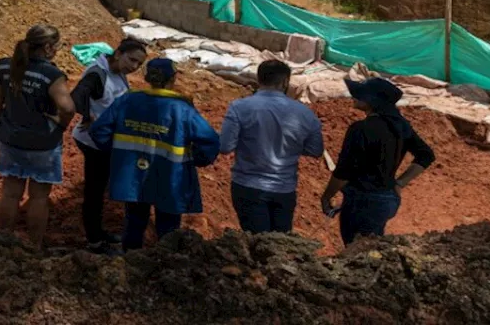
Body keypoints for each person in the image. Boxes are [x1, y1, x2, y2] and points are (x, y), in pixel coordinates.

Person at [90, 58, 220, 251]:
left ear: (146, 77)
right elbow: (210, 140)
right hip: (170, 176)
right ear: (173, 78)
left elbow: (99, 130)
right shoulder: (182, 108)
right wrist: (197, 160)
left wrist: (118, 153)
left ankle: (130, 264)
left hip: (133, 174)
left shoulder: (128, 100)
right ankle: (164, 266)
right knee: (168, 228)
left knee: (134, 221)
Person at [0, 24, 75, 248]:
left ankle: (2, 241)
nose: (57, 51)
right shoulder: (51, 75)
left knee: (10, 193)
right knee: (38, 197)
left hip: (10, 139)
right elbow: (67, 107)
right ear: (47, 47)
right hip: (42, 144)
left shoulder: (5, 67)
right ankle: (34, 246)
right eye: (56, 46)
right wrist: (61, 123)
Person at [321, 77, 436, 245]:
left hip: (362, 202)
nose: (354, 97)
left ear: (372, 102)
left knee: (356, 252)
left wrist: (326, 197)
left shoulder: (360, 129)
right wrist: (400, 183)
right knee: (371, 247)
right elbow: (426, 155)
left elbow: (343, 172)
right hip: (387, 199)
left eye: (360, 95)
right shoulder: (401, 126)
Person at [220, 60, 323, 234]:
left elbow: (225, 146)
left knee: (256, 242)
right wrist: (290, 145)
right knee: (278, 244)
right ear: (285, 82)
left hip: (248, 187)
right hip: (284, 189)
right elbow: (316, 150)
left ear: (259, 79)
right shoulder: (305, 113)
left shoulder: (239, 107)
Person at [71, 39, 148, 249]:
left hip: (106, 141)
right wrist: (87, 117)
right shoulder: (98, 73)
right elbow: (77, 96)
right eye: (131, 60)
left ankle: (98, 232)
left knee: (100, 188)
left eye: (138, 65)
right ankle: (94, 240)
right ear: (118, 53)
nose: (133, 67)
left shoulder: (117, 73)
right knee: (94, 190)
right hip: (93, 142)